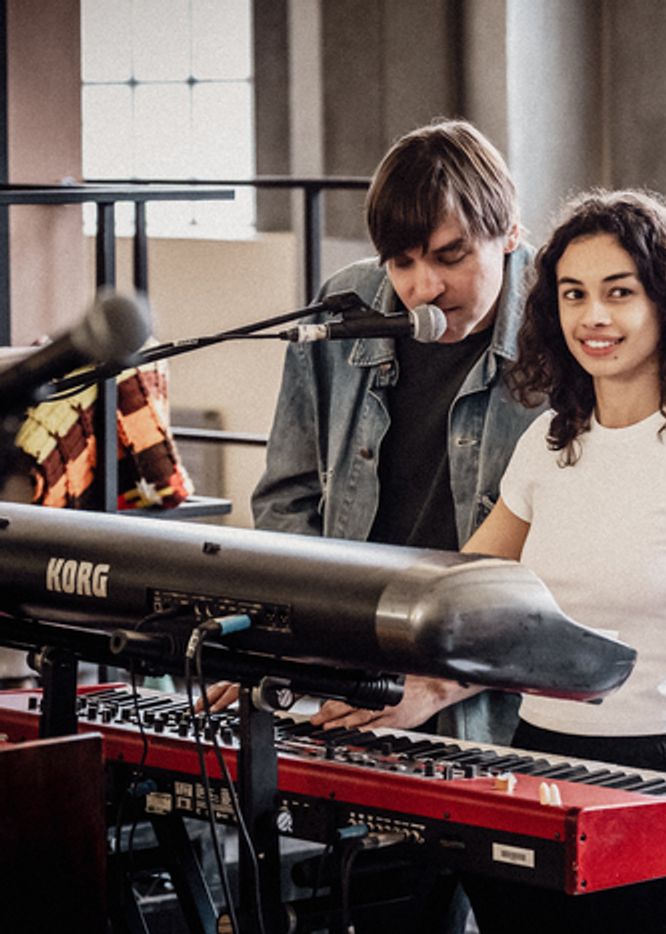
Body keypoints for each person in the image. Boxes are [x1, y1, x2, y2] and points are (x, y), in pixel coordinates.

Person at [341, 188, 666, 932]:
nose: (593, 316)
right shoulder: (549, 442)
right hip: (535, 766)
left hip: (656, 775)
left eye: (619, 293)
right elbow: (461, 602)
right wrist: (374, 681)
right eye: (573, 294)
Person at [236, 119, 538, 745]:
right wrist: (292, 646)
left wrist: (439, 681)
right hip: (357, 664)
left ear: (510, 231)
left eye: (451, 256)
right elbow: (287, 498)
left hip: (496, 694)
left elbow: (571, 563)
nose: (424, 288)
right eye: (402, 262)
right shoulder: (348, 303)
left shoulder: (564, 325)